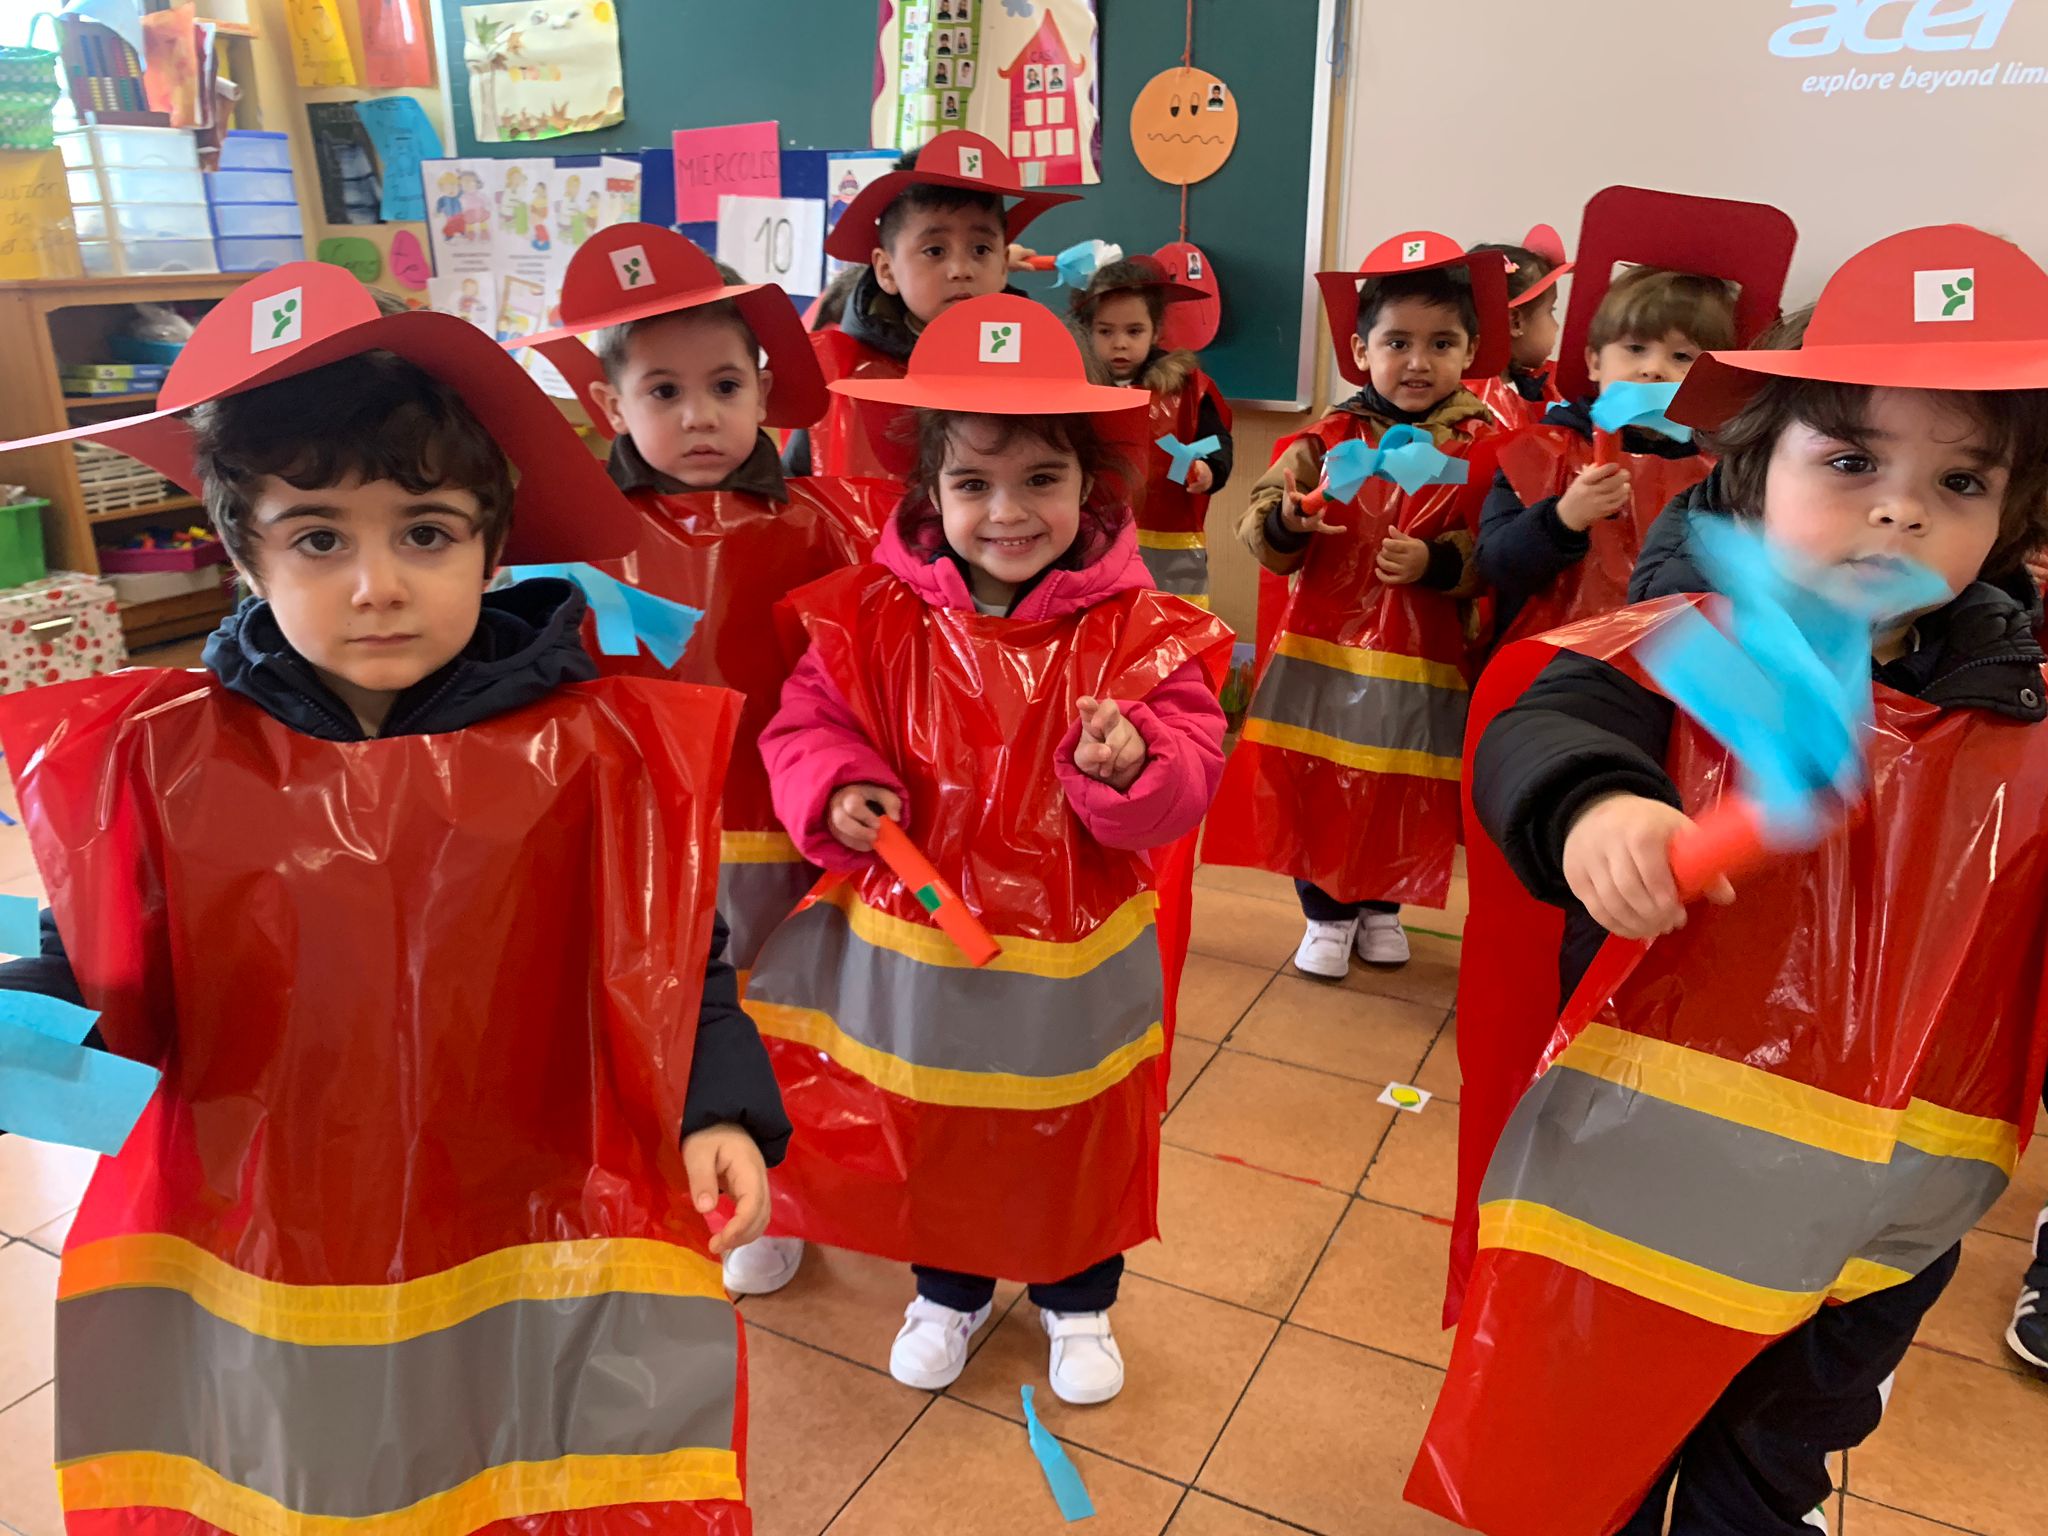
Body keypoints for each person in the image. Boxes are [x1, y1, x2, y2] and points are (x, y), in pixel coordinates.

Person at [0, 266, 791, 1531]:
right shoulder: (163, 764)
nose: (376, 583)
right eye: (319, 537)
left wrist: (717, 1103)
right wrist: (27, 1024)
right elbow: (94, 958)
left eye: (422, 531)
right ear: (245, 553)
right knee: (308, 1470)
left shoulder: (595, 749)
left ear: (490, 539)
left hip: (527, 1202)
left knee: (521, 1460)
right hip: (269, 1222)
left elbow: (670, 957)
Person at [1413, 225, 2048, 1536]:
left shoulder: (2023, 722)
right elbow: (1550, 724)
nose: (1900, 507)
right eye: (1854, 459)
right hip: (1643, 1179)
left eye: (1962, 479)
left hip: (1874, 1212)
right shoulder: (1674, 644)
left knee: (1778, 1449)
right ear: (1754, 472)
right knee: (1599, 1437)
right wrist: (1597, 809)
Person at [740, 295, 1231, 1403]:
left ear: (1090, 487)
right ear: (927, 494)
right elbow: (804, 725)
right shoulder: (868, 616)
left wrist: (1128, 768)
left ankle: (1077, 1297)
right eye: (971, 485)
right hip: (923, 945)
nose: (1006, 512)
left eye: (1039, 483)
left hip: (1071, 959)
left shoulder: (1142, 631)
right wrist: (841, 786)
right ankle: (947, 1290)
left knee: (1072, 1122)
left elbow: (1188, 771)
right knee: (941, 1114)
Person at [509, 231, 892, 1225]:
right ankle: (677, 1172)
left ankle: (787, 1188)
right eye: (664, 393)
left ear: (764, 391)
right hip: (639, 832)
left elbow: (870, 669)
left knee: (787, 1008)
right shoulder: (568, 537)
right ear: (609, 407)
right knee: (656, 1003)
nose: (699, 416)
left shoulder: (824, 523)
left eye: (724, 385)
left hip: (786, 824)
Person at [1202, 232, 1509, 978]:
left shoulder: (1488, 446)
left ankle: (1382, 905)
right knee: (1319, 775)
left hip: (1425, 659)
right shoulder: (1326, 437)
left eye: (1441, 343)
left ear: (1469, 353)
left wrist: (1439, 563)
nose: (1417, 360)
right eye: (1397, 341)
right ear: (1360, 349)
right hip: (1325, 655)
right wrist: (1290, 521)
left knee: (1402, 780)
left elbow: (1501, 546)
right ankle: (1325, 912)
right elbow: (1262, 513)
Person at [783, 130, 1077, 479]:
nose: (961, 270)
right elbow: (798, 487)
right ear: (887, 270)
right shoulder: (838, 374)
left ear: (1002, 264)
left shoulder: (1043, 357)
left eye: (981, 250)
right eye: (934, 251)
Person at [1475, 265, 1735, 644]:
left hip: (1662, 675)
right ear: (1595, 362)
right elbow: (1494, 567)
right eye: (1635, 349)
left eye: (1682, 357)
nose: (1653, 370)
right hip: (1544, 670)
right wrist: (1564, 518)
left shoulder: (1723, 472)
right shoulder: (1542, 450)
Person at [1070, 255, 1235, 608]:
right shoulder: (1073, 390)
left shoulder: (1186, 388)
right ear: (1086, 330)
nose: (1119, 344)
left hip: (1169, 550)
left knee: (1168, 632)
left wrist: (1210, 468)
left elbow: (1216, 442)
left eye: (1134, 331)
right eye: (1105, 331)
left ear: (1156, 331)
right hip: (1090, 542)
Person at [1466, 227, 1572, 431]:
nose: (1556, 325)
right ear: (1515, 322)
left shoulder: (1537, 386)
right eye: (1551, 311)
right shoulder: (1475, 408)